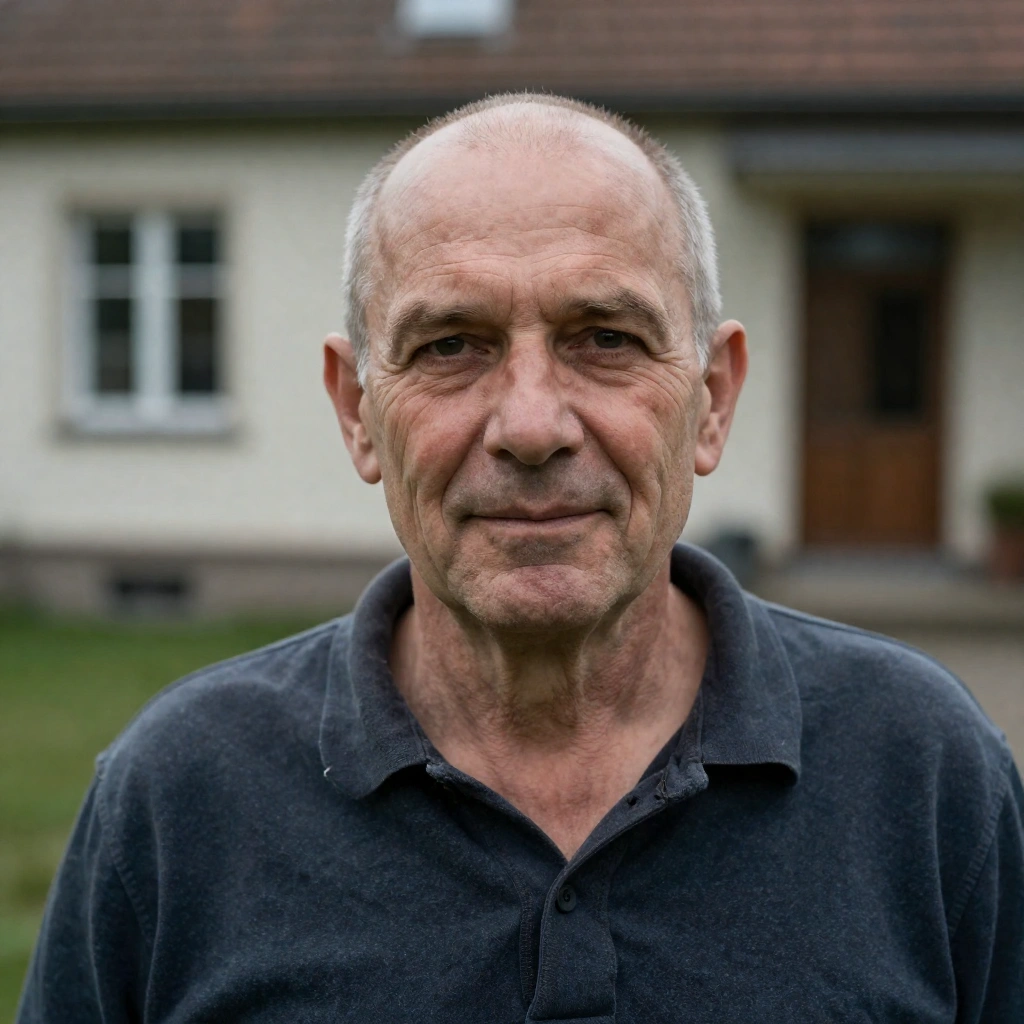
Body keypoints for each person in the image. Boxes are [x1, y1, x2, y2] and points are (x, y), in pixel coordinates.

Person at [18, 94, 1023, 1023]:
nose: (532, 427)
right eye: (451, 345)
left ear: (712, 397)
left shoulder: (921, 773)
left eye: (606, 338)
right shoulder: (181, 799)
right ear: (357, 411)